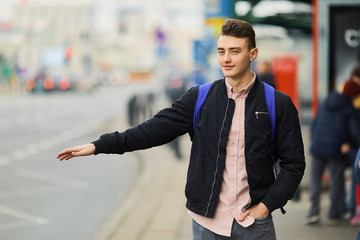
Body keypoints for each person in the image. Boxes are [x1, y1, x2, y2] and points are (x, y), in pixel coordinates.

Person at [57, 19, 305, 240]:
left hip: (254, 225)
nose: (226, 59)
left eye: (234, 51)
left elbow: (294, 164)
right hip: (207, 224)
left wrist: (267, 206)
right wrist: (100, 145)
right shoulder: (200, 98)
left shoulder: (277, 104)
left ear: (253, 54)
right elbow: (152, 130)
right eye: (221, 51)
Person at [306, 66, 360, 226]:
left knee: (315, 180)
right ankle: (333, 212)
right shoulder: (349, 108)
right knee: (336, 181)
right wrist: (352, 145)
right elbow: (354, 132)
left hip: (318, 146)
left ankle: (313, 212)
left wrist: (315, 139)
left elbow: (315, 123)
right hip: (336, 149)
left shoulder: (328, 99)